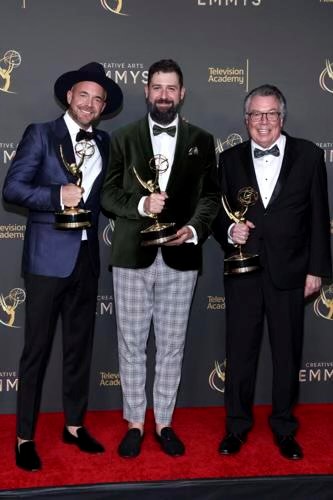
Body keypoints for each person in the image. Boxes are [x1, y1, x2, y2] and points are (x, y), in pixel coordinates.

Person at [2, 62, 123, 471]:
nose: (90, 104)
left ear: (104, 107)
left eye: (98, 99)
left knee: (78, 350)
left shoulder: (106, 142)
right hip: (46, 261)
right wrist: (58, 195)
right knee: (35, 351)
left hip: (86, 261)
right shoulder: (40, 133)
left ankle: (73, 426)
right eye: (83, 95)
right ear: (69, 96)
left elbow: (112, 195)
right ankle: (24, 437)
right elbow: (12, 188)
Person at [101, 59, 220, 458]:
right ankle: (134, 422)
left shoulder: (203, 140)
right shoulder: (122, 137)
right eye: (157, 87)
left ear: (182, 93)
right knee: (131, 345)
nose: (164, 95)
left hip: (181, 257)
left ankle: (163, 422)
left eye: (171, 88)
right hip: (132, 257)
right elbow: (107, 195)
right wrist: (141, 204)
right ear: (146, 91)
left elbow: (210, 198)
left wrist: (193, 230)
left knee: (172, 345)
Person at [213, 84, 332, 460]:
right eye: (255, 114)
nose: (263, 122)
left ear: (282, 117)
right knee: (240, 352)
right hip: (243, 268)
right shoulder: (229, 160)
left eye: (270, 114)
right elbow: (216, 213)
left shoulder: (309, 155)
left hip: (291, 271)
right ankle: (236, 427)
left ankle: (284, 428)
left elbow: (318, 215)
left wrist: (317, 270)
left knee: (287, 354)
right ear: (245, 119)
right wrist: (230, 231)